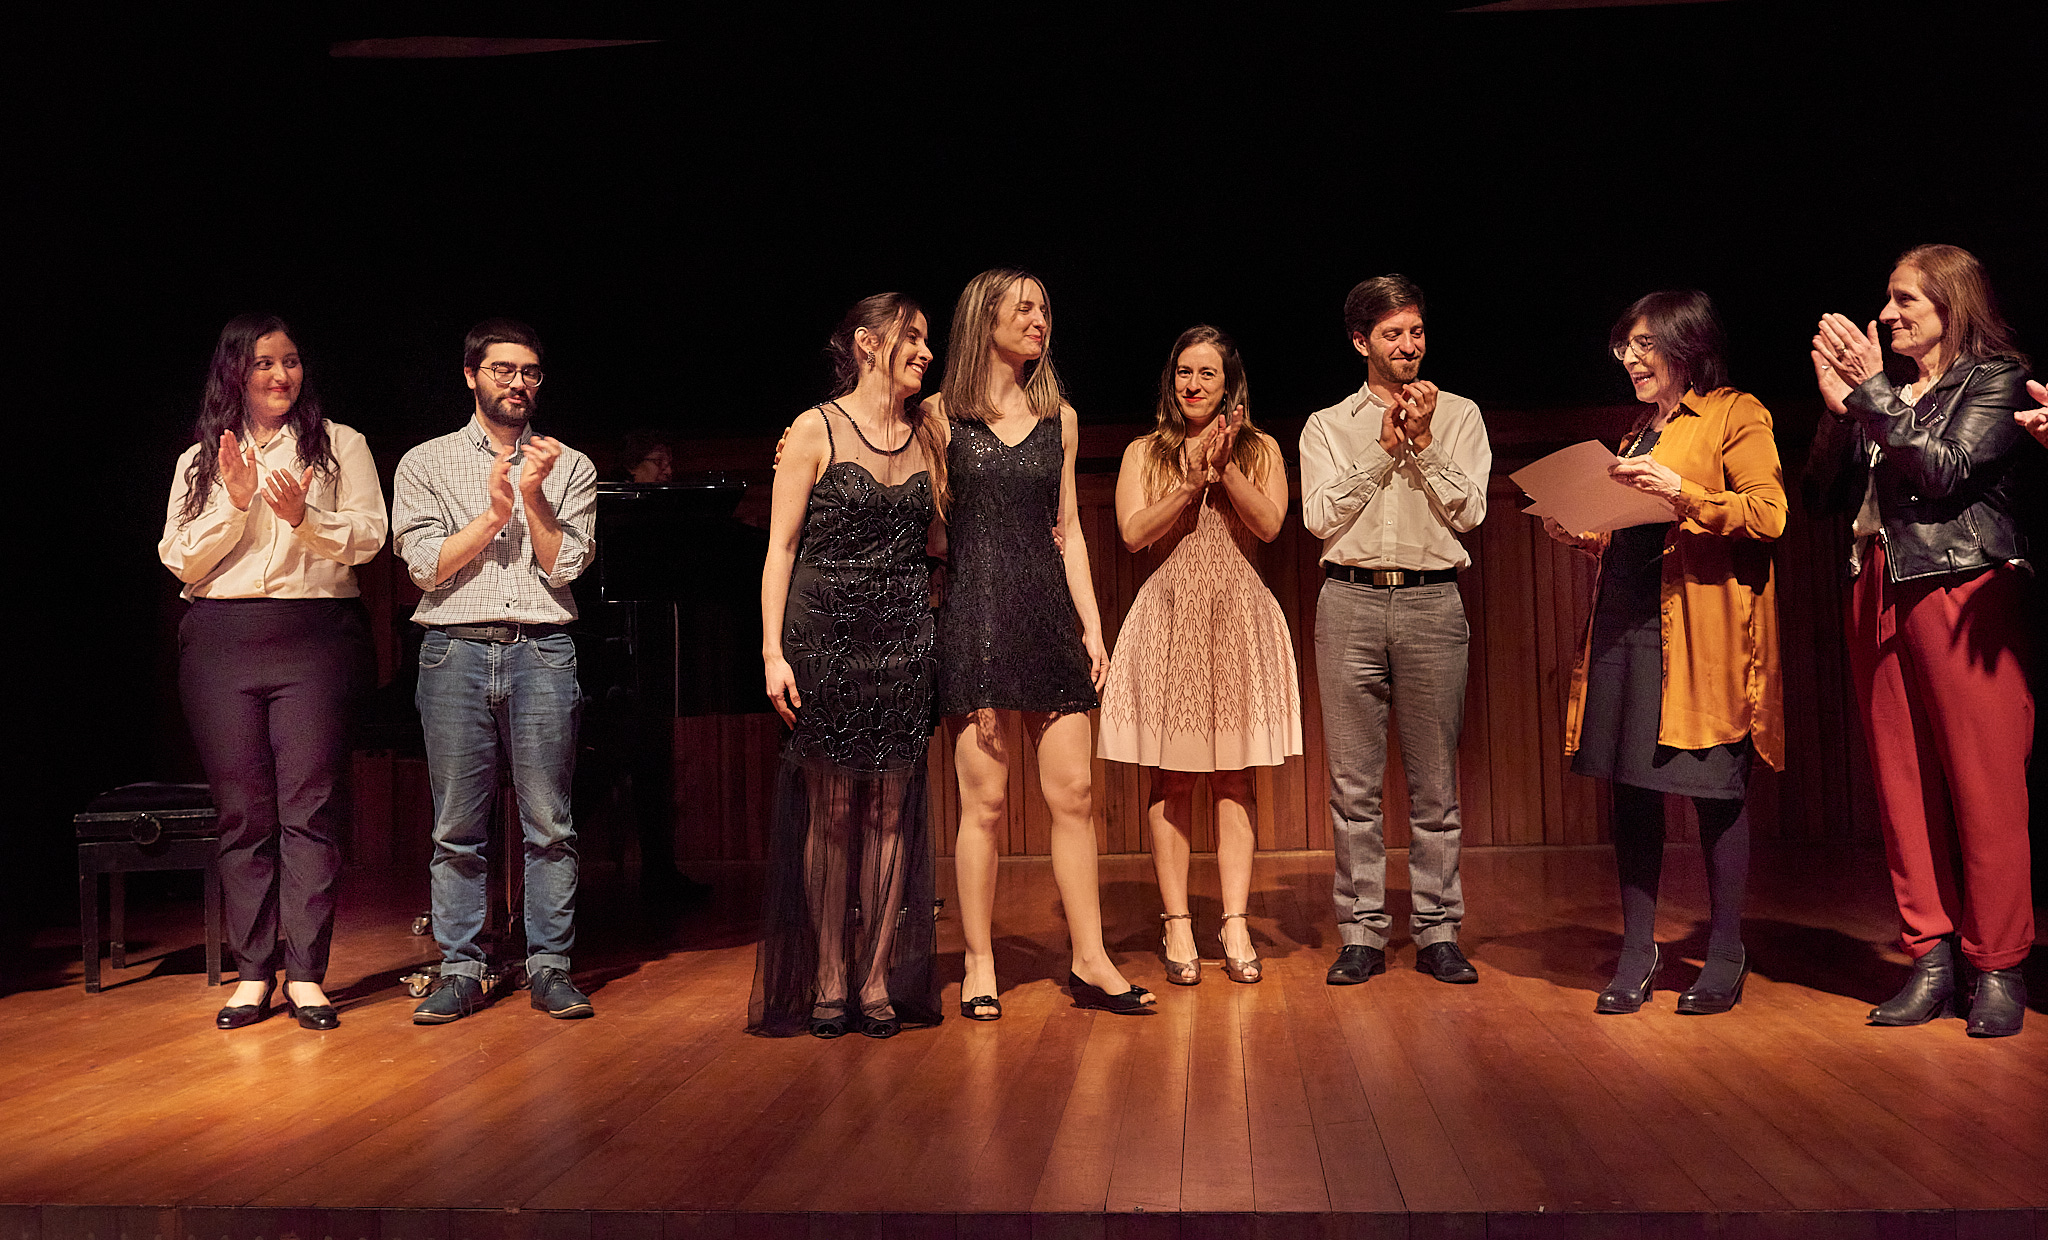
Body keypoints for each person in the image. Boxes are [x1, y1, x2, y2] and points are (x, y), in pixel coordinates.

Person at [1805, 244, 2036, 1038]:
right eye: (1889, 298)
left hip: (1962, 586)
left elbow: (1944, 472)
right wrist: (1842, 410)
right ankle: (1930, 958)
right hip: (1876, 582)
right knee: (1901, 785)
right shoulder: (1887, 395)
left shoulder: (1995, 379)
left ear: (1952, 304)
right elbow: (1821, 495)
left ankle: (1997, 965)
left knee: (1986, 784)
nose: (1888, 313)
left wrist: (1872, 395)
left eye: (1907, 300)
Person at [1542, 291, 1786, 1016]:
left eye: (1644, 345)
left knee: (1715, 788)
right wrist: (1580, 529)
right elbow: (1633, 529)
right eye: (1626, 347)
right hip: (1627, 622)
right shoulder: (1637, 432)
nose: (1630, 359)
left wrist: (1684, 491)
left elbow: (1768, 514)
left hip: (1700, 630)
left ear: (1687, 345)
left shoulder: (1735, 413)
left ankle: (1726, 950)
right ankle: (1636, 949)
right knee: (1633, 789)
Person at [932, 267, 1154, 1017]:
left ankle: (1090, 958)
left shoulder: (1061, 417)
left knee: (1075, 796)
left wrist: (1092, 624)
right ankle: (979, 962)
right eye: (1022, 308)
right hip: (976, 620)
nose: (1038, 320)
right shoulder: (941, 416)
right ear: (983, 319)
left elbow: (1071, 530)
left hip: (1049, 616)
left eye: (1044, 310)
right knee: (985, 803)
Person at [161, 315, 385, 1032]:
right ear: (235, 373)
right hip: (221, 639)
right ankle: (253, 974)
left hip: (314, 635)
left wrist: (303, 515)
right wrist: (234, 503)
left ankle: (308, 975)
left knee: (309, 810)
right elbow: (178, 557)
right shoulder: (202, 459)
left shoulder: (342, 445)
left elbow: (369, 538)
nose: (280, 375)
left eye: (290, 361)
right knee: (243, 814)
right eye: (263, 363)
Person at [392, 318, 600, 1025]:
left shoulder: (570, 465)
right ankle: (461, 968)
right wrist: (493, 515)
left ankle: (549, 967)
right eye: (503, 370)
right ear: (470, 375)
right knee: (457, 827)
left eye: (530, 372)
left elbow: (564, 567)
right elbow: (425, 568)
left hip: (541, 649)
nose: (518, 383)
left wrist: (533, 498)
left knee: (550, 823)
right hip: (453, 649)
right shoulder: (425, 462)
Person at [751, 294, 946, 1038]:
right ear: (867, 343)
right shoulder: (815, 429)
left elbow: (939, 541)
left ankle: (876, 976)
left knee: (891, 811)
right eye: (912, 337)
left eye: (928, 339)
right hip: (824, 637)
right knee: (833, 812)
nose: (926, 351)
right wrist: (772, 651)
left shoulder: (929, 434)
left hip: (902, 641)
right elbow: (780, 548)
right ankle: (830, 973)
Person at [1299, 274, 1492, 987]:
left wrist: (1425, 443)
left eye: (1415, 331)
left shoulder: (1460, 416)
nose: (1409, 345)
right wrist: (1382, 450)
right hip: (1348, 601)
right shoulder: (1327, 425)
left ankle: (1438, 930)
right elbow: (1319, 517)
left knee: (1435, 785)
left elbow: (1470, 512)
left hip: (1431, 604)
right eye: (1392, 334)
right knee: (1353, 787)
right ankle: (1361, 933)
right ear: (1361, 342)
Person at [1097, 325, 1300, 985]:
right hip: (1170, 620)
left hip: (1237, 619)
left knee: (1236, 778)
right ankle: (1177, 921)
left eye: (1206, 373)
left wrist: (1225, 469)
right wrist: (1188, 484)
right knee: (1172, 779)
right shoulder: (1145, 452)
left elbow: (1270, 524)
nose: (1192, 384)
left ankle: (1235, 921)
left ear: (1229, 383)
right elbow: (1132, 533)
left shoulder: (1260, 448)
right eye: (1183, 372)